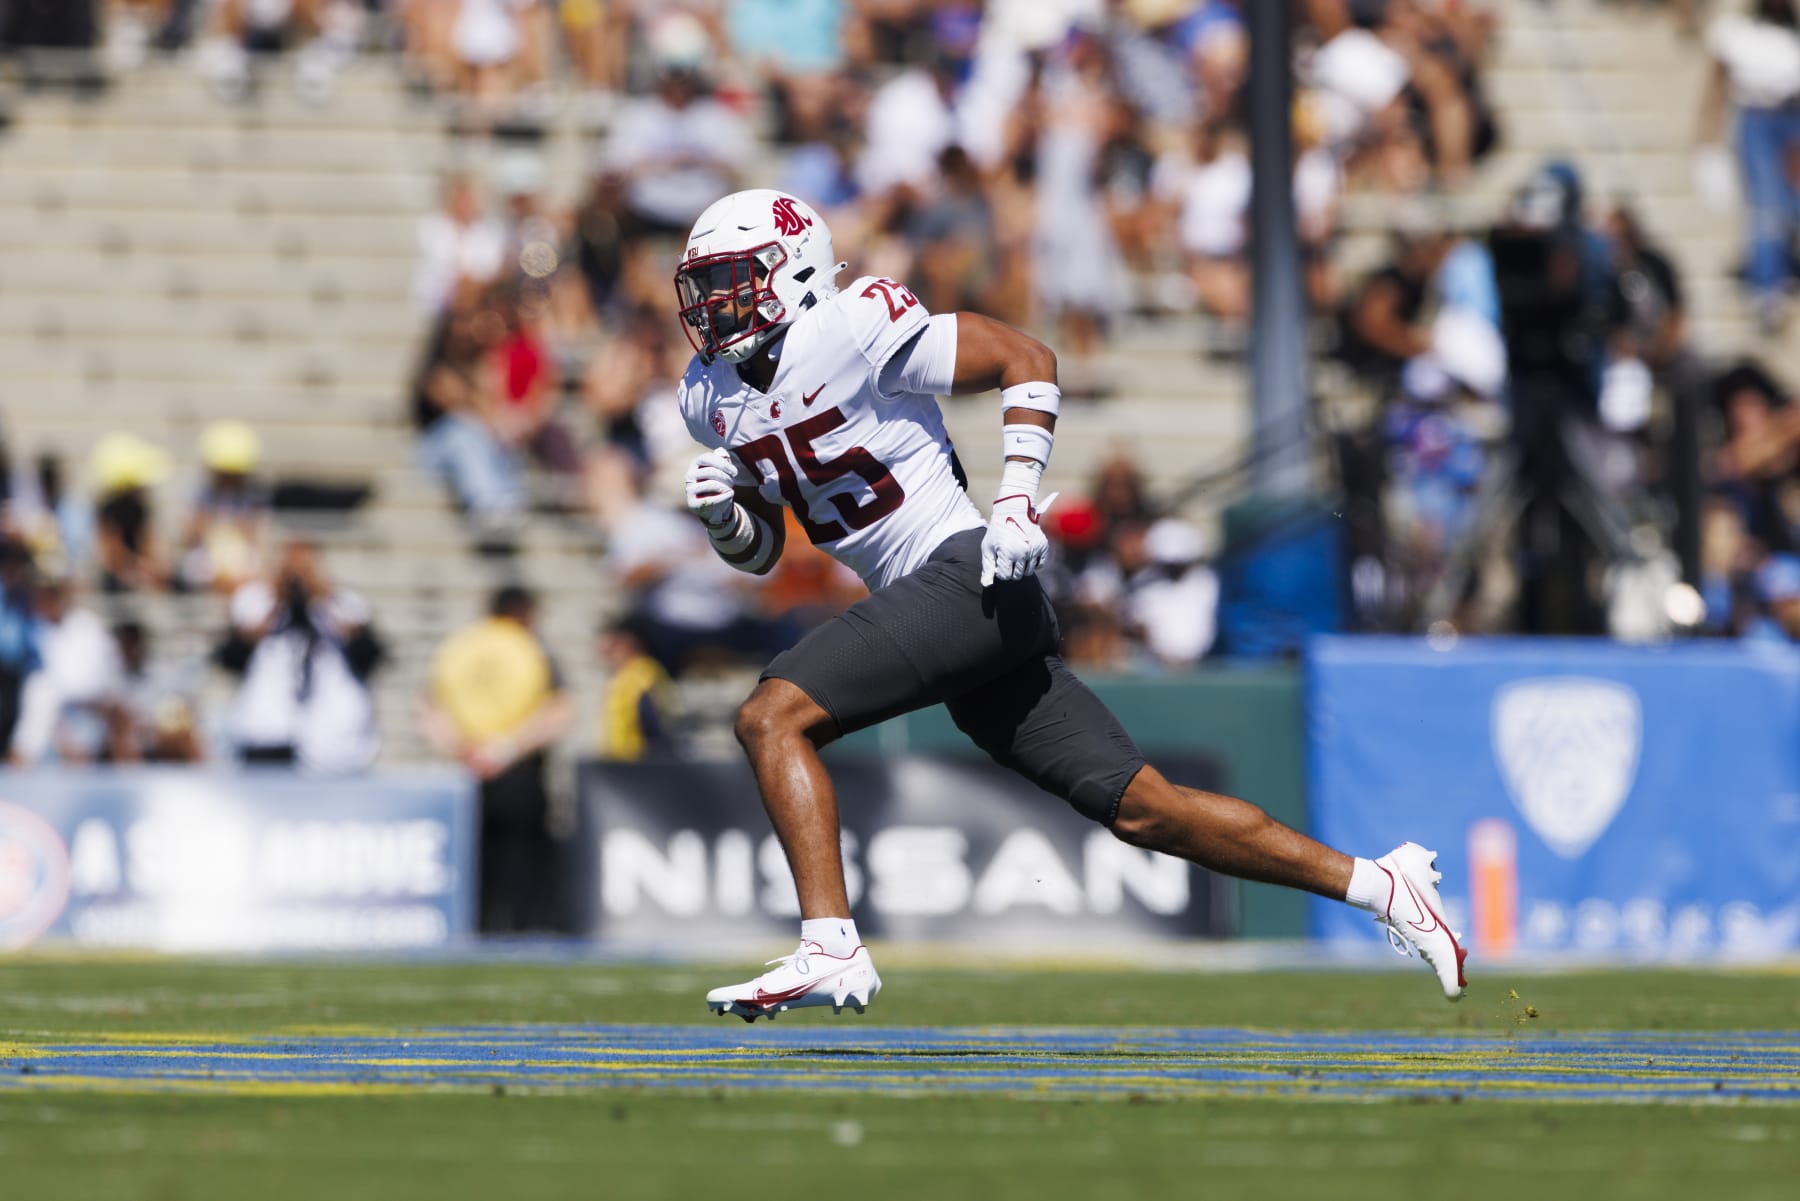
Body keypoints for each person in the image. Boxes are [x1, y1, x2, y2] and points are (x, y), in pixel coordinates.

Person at [671, 188, 1466, 1021]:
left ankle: (829, 942)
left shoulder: (853, 324)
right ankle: (1384, 884)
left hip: (965, 575)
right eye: (706, 286)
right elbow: (760, 550)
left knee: (772, 716)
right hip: (953, 614)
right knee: (1149, 809)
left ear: (791, 270)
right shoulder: (709, 395)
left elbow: (1026, 357)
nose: (715, 306)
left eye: (731, 279)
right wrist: (726, 516)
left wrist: (1017, 498)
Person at [421, 585, 572, 933]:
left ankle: (480, 928)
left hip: (468, 771)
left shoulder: (458, 647)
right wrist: (503, 749)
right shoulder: (531, 648)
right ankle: (524, 930)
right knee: (523, 861)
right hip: (519, 770)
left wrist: (466, 750)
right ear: (525, 613)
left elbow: (430, 710)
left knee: (476, 860)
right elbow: (558, 713)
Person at [215, 539, 385, 772]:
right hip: (268, 733)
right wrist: (277, 598)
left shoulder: (343, 603)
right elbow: (232, 655)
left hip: (333, 739)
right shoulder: (257, 602)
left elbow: (369, 651)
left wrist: (322, 595)